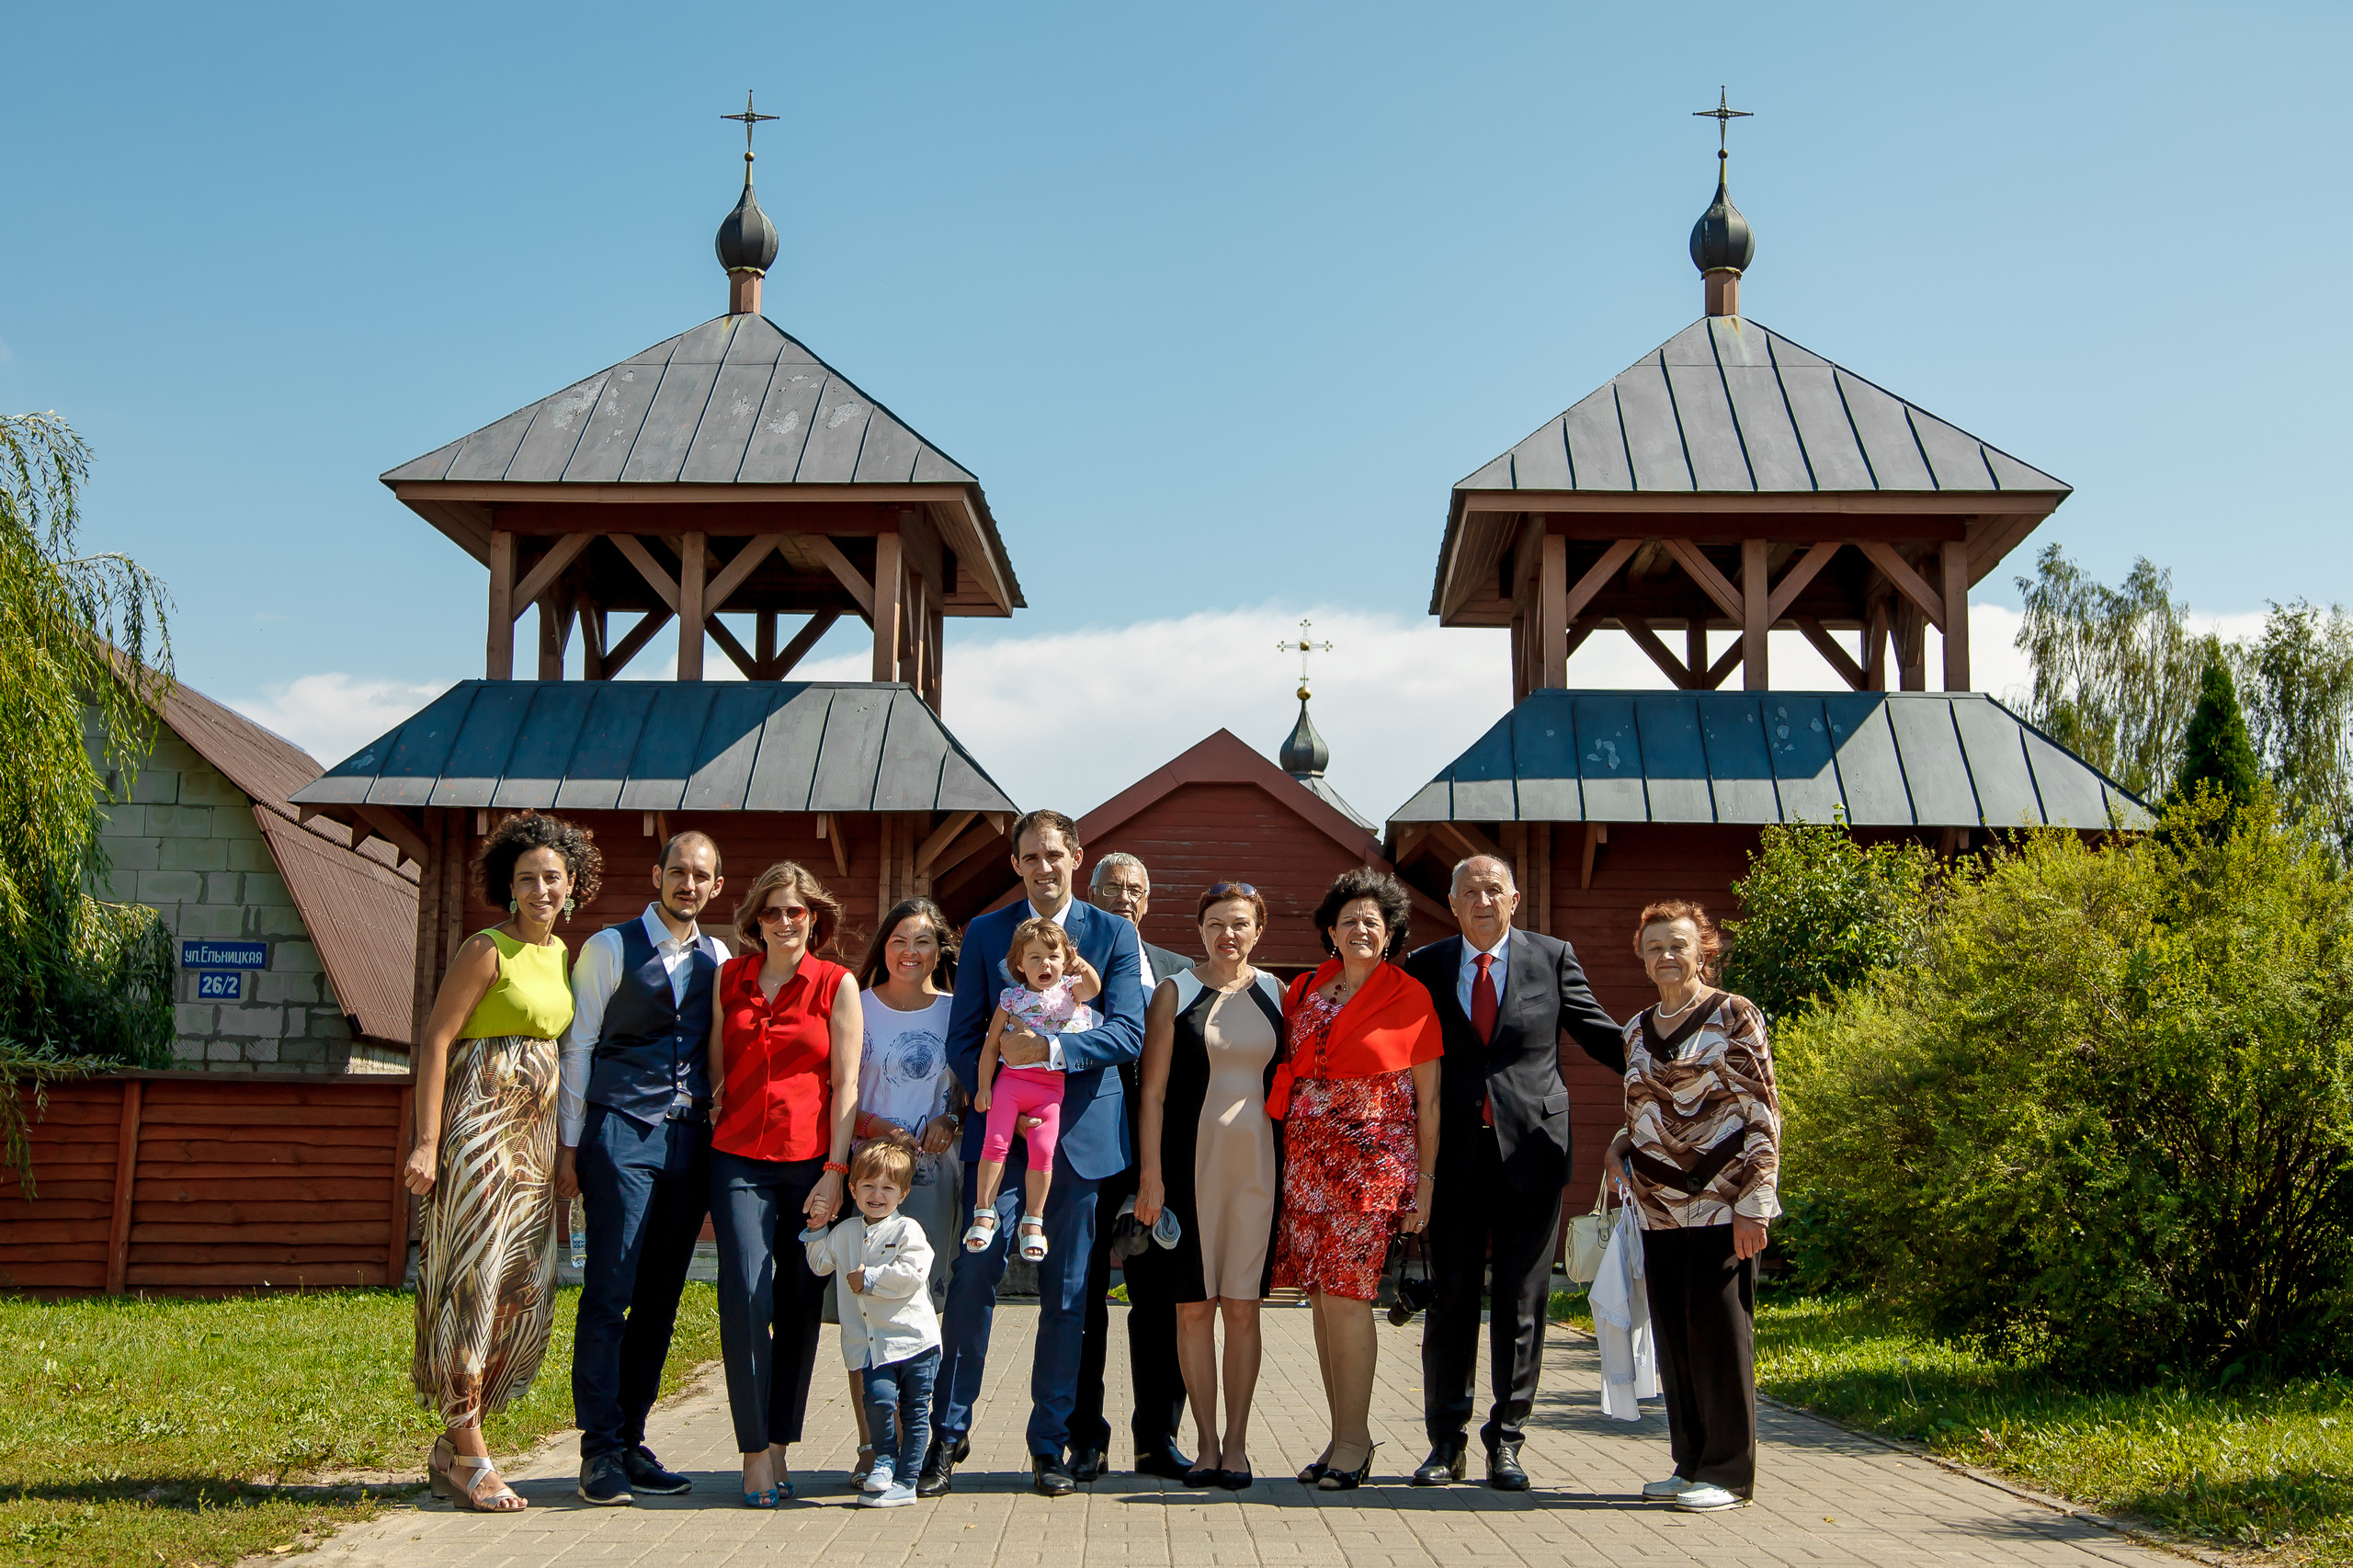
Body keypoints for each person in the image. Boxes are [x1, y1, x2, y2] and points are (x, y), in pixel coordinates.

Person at [919, 810, 1148, 1500]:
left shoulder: (1113, 934)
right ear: (1016, 864)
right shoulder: (988, 933)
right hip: (1000, 1140)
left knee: (1070, 1293)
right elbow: (965, 1039)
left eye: (1055, 853)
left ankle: (1051, 1445)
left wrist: (1048, 1054)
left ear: (1078, 856)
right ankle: (947, 1433)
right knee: (971, 1277)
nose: (1043, 867)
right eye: (1030, 857)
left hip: (1076, 1140)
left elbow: (1127, 1032)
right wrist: (1002, 1099)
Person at [1402, 855, 1624, 1491]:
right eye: (1469, 890)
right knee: (1450, 1303)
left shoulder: (1552, 958)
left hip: (1533, 1151)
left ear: (1515, 899)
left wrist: (1661, 1063)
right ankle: (1446, 1443)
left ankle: (1508, 1442)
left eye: (1493, 889)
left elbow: (1597, 1033)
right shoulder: (1427, 966)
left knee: (1522, 1303)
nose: (1482, 899)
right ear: (1452, 902)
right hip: (1455, 1160)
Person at [406, 812, 600, 1513]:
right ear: (508, 888)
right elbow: (435, 1040)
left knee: (519, 1290)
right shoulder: (486, 950)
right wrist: (427, 1143)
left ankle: (450, 1451)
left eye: (552, 877)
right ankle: (475, 1456)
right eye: (527, 879)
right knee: (473, 1287)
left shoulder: (562, 955)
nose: (541, 889)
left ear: (572, 883)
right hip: (481, 1132)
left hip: (536, 1141)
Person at [555, 830, 726, 1506]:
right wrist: (569, 1150)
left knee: (660, 1297)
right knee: (610, 1289)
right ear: (657, 874)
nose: (689, 883)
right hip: (622, 1129)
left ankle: (631, 1439)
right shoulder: (607, 947)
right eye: (679, 871)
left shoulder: (720, 955)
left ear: (716, 885)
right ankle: (597, 1451)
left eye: (702, 875)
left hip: (690, 1137)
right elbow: (580, 1048)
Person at [1601, 901, 1780, 1514]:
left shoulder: (1735, 1016)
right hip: (1655, 1208)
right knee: (1675, 1337)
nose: (1667, 957)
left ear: (1704, 947)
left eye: (1678, 945)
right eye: (1655, 947)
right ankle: (1690, 1462)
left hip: (1722, 1205)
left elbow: (1761, 1112)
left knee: (1721, 1337)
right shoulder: (1634, 1029)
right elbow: (1640, 1109)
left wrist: (1757, 1201)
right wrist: (1620, 1145)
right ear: (1642, 956)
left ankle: (1729, 1475)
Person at [1270, 867, 1444, 1492]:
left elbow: (1430, 1101)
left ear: (1391, 931)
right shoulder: (1307, 991)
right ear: (1330, 932)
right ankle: (1341, 1434)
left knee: (1347, 1300)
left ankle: (1355, 1441)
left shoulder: (1410, 997)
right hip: (1307, 1166)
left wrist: (1423, 1185)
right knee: (1320, 1303)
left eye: (1373, 920)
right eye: (1349, 920)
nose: (1361, 928)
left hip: (1370, 1170)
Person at [707, 861, 862, 1506]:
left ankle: (779, 1445)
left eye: (796, 911)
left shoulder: (836, 983)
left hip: (810, 1165)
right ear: (756, 922)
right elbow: (717, 1065)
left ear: (814, 919)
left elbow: (845, 1084)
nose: (785, 921)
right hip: (738, 1157)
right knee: (745, 1293)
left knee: (799, 1307)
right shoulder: (731, 978)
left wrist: (835, 1172)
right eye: (772, 911)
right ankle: (751, 1452)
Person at [1133, 881, 1284, 1490]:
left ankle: (1239, 1447)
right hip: (1188, 1168)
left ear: (1258, 930)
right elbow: (1152, 1092)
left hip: (1258, 1169)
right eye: (1217, 923)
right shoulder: (1176, 991)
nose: (1229, 935)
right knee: (1193, 1309)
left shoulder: (1276, 991)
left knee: (1244, 1308)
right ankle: (1202, 1444)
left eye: (1240, 924)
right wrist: (1150, 1175)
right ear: (1200, 930)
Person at [1070, 852, 1193, 1483]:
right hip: (1086, 1150)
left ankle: (1159, 1438)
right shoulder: (1065, 963)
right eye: (1111, 886)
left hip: (1159, 1157)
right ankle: (1084, 1437)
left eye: (1136, 888)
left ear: (1148, 901)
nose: (1124, 896)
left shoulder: (1179, 972)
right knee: (1084, 1298)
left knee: (1160, 1300)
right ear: (1090, 894)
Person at [842, 898, 966, 1485]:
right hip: (868, 1173)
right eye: (898, 940)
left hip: (934, 1172)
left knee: (924, 1305)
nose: (909, 953)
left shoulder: (956, 1010)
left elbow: (969, 1082)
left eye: (922, 941)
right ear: (883, 948)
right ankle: (874, 1445)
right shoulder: (856, 1005)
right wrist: (872, 1128)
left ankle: (916, 1440)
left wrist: (951, 1117)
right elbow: (838, 1088)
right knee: (867, 1312)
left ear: (939, 950)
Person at [803, 1141, 941, 1510]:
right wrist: (816, 1229)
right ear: (852, 1189)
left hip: (914, 1343)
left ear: (903, 1193)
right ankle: (884, 1460)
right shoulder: (845, 1232)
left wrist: (871, 1278)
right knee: (878, 1402)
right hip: (871, 1347)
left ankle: (907, 1482)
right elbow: (820, 1264)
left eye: (887, 1188)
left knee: (913, 1412)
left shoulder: (908, 1231)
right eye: (868, 1186)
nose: (876, 1195)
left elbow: (913, 1274)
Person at [964, 919, 1102, 1260]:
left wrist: (1079, 964)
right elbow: (991, 1047)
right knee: (995, 1144)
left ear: (1065, 959)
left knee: (1043, 1152)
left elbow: (1094, 988)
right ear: (1020, 964)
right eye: (1035, 957)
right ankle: (983, 1212)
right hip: (1010, 1083)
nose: (1045, 965)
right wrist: (984, 1087)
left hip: (1049, 1089)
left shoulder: (1071, 992)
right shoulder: (1012, 999)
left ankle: (1033, 1221)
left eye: (1053, 957)